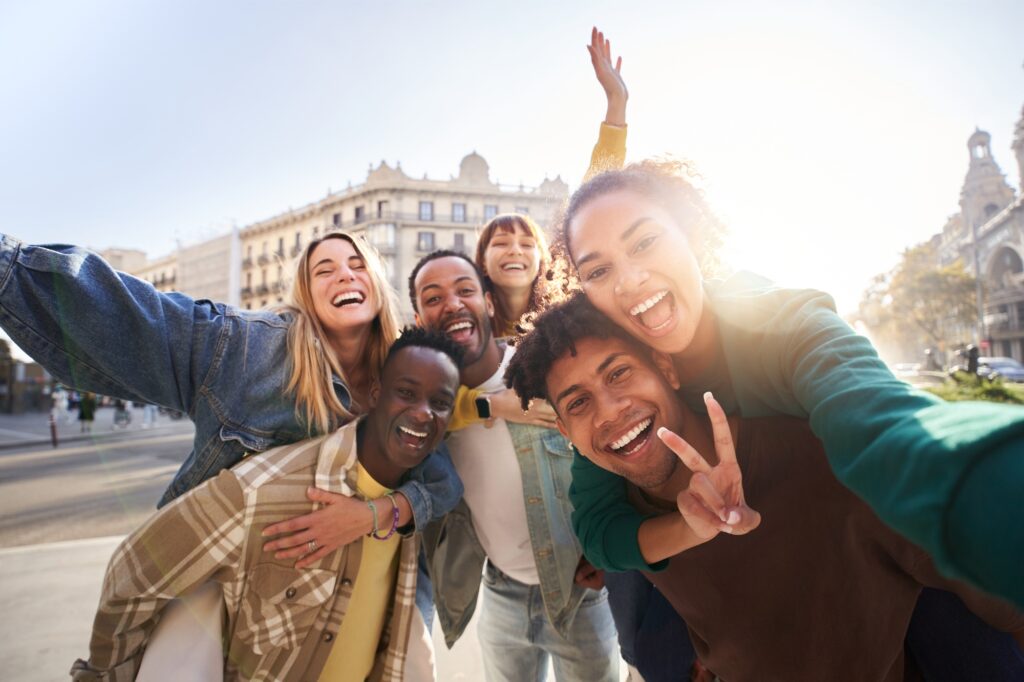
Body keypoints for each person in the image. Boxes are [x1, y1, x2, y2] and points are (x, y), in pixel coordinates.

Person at [553, 159, 1024, 609]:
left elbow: (879, 421)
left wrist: (982, 480)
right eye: (598, 270)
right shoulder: (609, 394)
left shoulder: (780, 324)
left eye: (644, 242)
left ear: (690, 236)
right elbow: (596, 528)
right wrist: (692, 526)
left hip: (913, 555)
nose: (630, 280)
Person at [505, 294, 1024, 680]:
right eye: (577, 404)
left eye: (618, 374)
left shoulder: (823, 459)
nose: (609, 411)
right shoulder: (634, 509)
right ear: (565, 432)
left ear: (666, 365)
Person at [70, 328, 463, 681]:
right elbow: (132, 575)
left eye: (440, 402)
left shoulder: (418, 499)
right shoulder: (263, 490)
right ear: (375, 394)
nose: (424, 412)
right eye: (406, 393)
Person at [409, 251, 620, 682]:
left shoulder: (540, 368)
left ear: (488, 303)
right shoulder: (427, 404)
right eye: (433, 298)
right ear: (418, 317)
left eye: (465, 290)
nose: (450, 304)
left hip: (579, 592)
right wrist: (489, 406)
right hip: (498, 591)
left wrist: (611, 553)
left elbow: (610, 449)